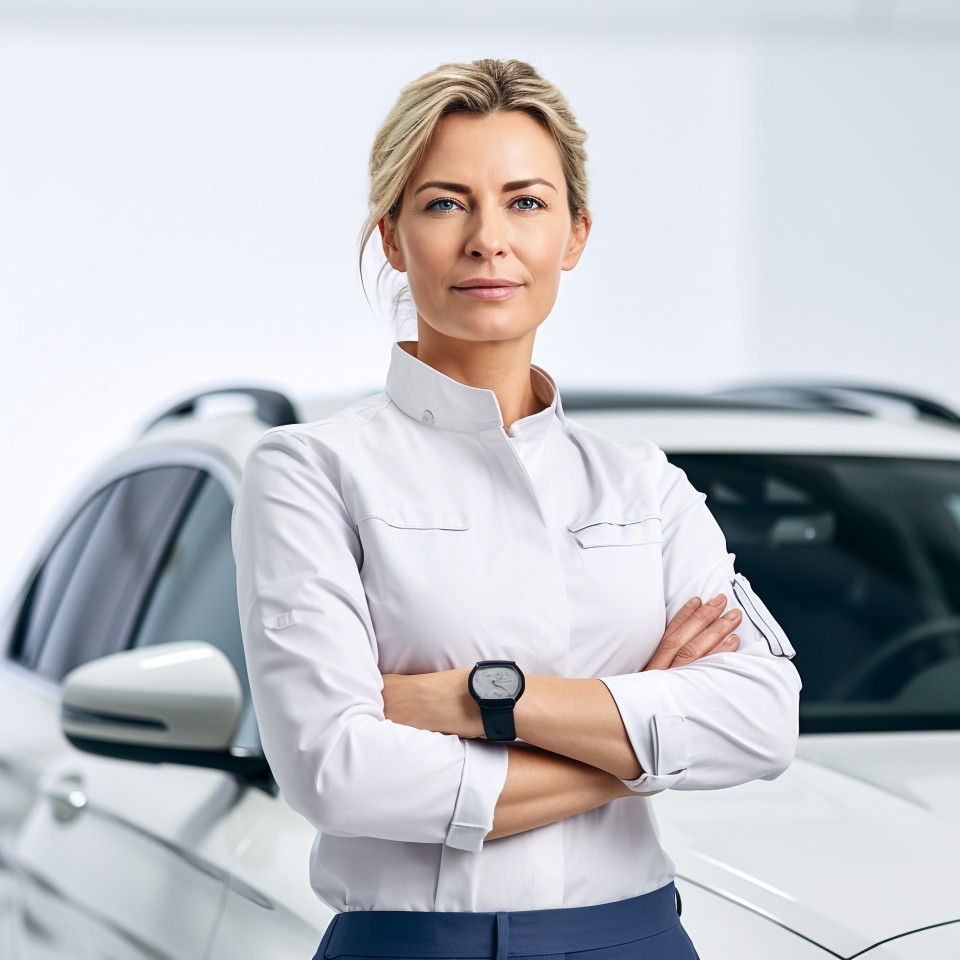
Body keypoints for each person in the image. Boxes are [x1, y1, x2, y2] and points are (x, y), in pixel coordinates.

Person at [231, 58, 801, 960]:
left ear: (574, 234)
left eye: (527, 203)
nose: (488, 239)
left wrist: (480, 700)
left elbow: (763, 721)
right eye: (445, 202)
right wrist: (643, 748)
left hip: (639, 940)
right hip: (417, 946)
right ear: (392, 235)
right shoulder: (311, 470)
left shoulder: (642, 483)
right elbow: (337, 773)